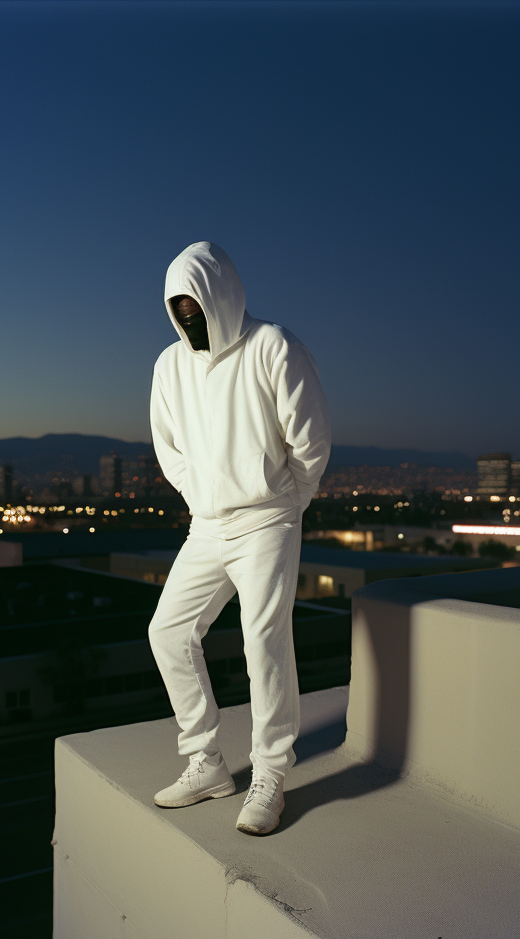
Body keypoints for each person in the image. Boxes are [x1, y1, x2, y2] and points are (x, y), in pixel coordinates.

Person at [148, 241, 331, 835]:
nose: (188, 317)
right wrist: (202, 495)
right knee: (169, 631)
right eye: (177, 308)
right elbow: (169, 450)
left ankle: (270, 775)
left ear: (220, 295)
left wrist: (288, 503)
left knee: (263, 641)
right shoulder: (169, 367)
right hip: (208, 523)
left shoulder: (273, 347)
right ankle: (206, 763)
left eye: (195, 304)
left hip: (268, 517)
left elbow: (311, 442)